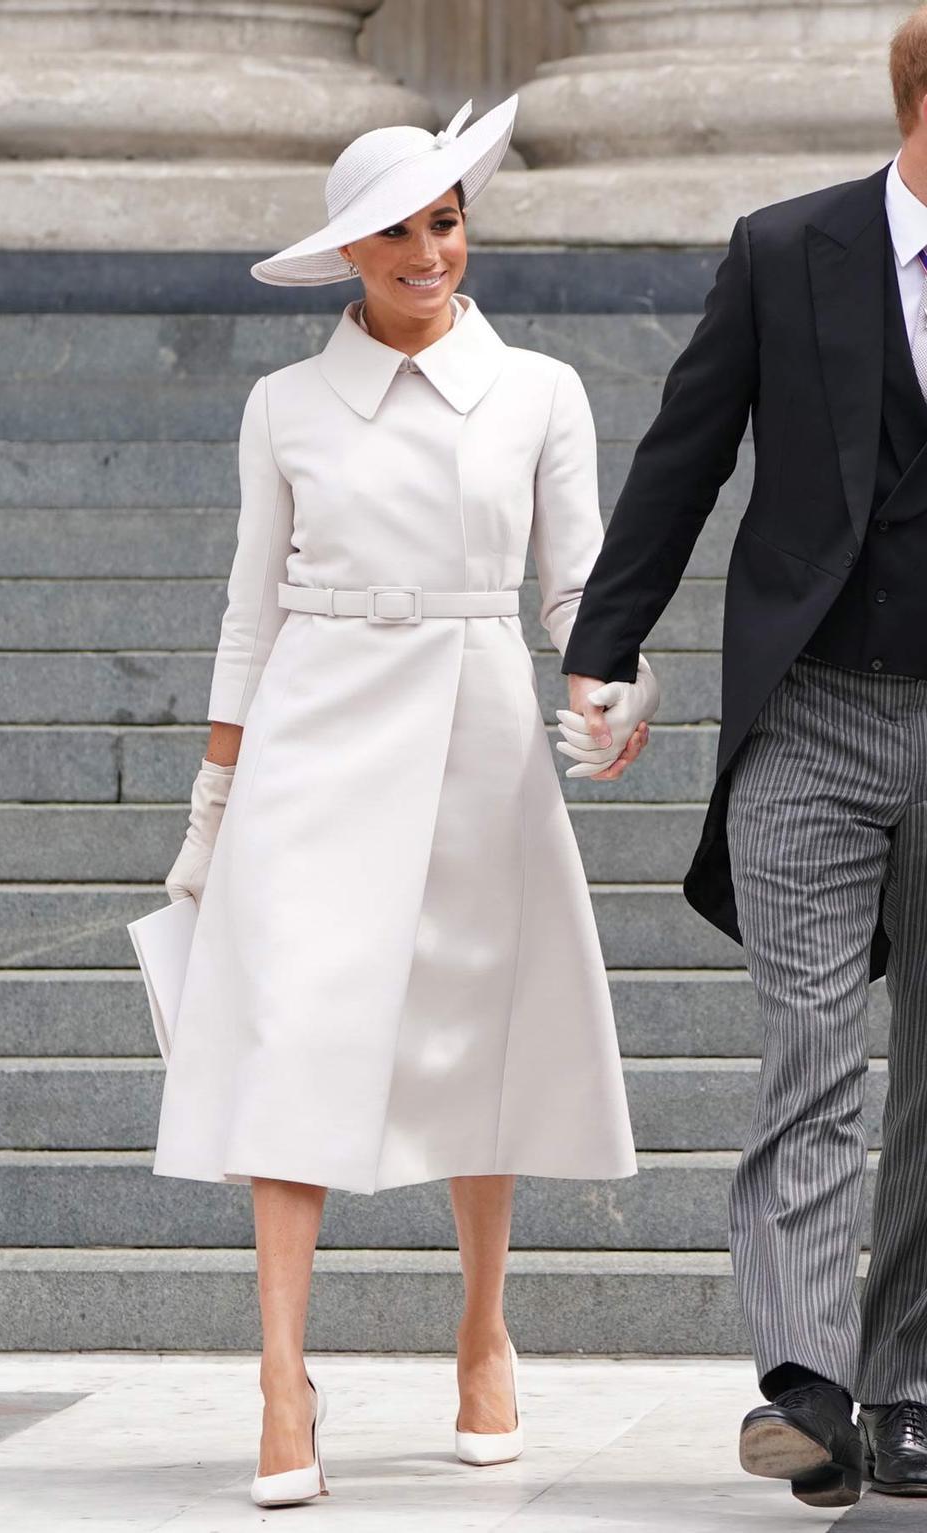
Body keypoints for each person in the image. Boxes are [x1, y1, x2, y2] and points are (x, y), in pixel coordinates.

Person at [150, 96, 657, 1509]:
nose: (431, 250)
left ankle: (484, 1327)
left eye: (447, 220)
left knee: (474, 1032)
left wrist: (611, 684)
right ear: (350, 253)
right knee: (292, 1035)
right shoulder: (284, 407)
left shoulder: (545, 389)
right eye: (399, 230)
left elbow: (576, 585)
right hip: (313, 721)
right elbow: (248, 614)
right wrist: (211, 803)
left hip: (479, 721)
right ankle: (279, 1370)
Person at [556, 5, 927, 1513]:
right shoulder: (787, 251)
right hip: (816, 712)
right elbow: (685, 452)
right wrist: (605, 637)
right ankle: (805, 1379)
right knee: (812, 1050)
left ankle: (906, 1391)